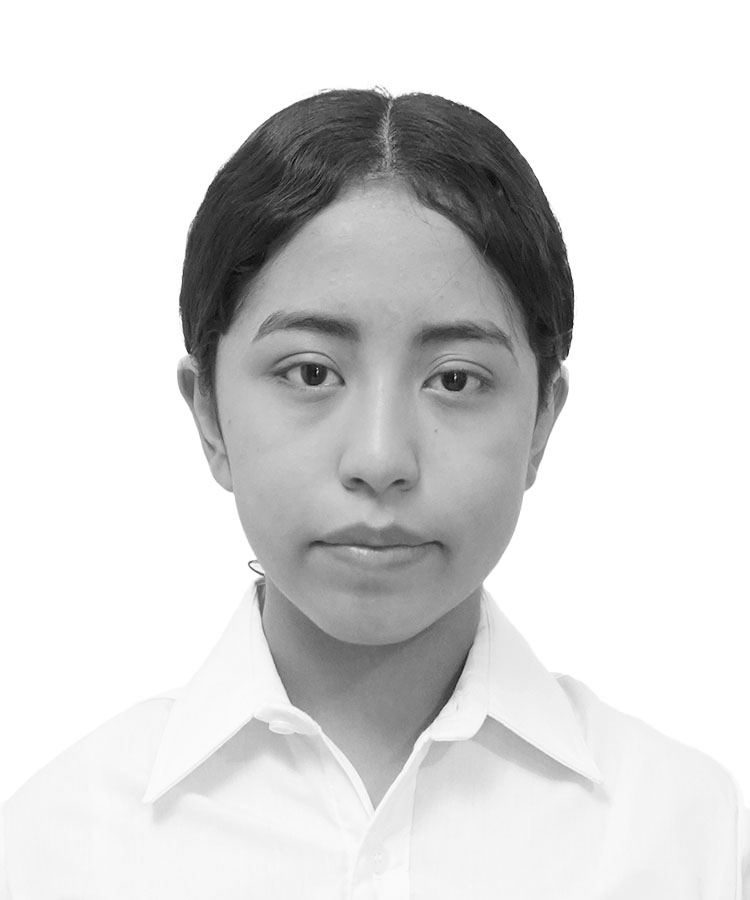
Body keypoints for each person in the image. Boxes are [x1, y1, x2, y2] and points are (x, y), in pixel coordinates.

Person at [1, 86, 747, 899]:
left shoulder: (686, 837)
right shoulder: (59, 846)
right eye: (310, 372)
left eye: (455, 379)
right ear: (209, 414)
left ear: (541, 421)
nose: (381, 458)